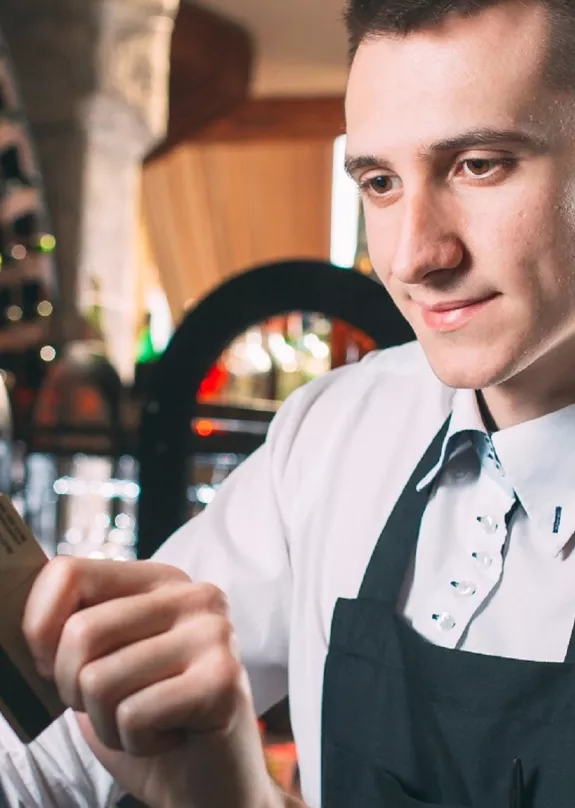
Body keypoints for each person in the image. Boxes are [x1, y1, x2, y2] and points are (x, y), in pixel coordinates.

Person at [3, 0, 575, 804]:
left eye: (477, 163)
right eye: (378, 182)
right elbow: (49, 763)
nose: (413, 255)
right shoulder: (333, 430)